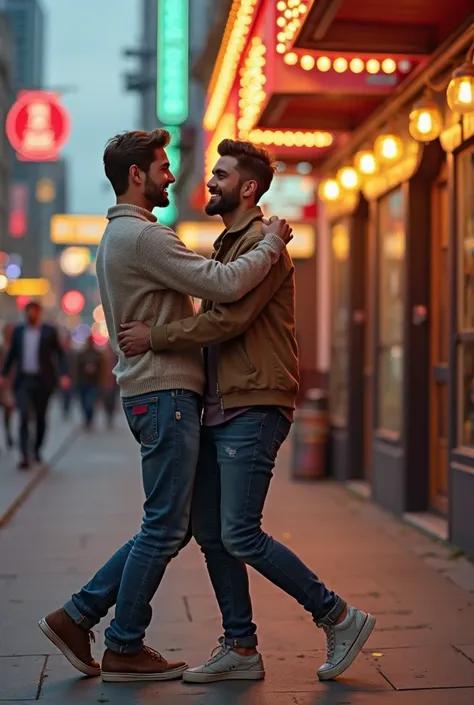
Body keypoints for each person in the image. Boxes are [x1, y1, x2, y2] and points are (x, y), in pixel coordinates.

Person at [38, 128, 292, 684]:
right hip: (166, 393)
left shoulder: (120, 237)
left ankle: (78, 616)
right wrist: (272, 244)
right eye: (161, 166)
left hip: (156, 393)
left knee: (170, 525)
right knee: (164, 526)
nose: (172, 175)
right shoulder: (145, 237)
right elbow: (223, 285)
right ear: (137, 176)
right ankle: (122, 643)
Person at [118, 139, 376, 684]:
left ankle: (339, 616)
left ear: (248, 188)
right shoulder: (231, 243)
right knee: (211, 531)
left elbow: (228, 320)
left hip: (255, 401)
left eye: (220, 174)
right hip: (223, 404)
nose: (209, 181)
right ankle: (240, 646)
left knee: (239, 533)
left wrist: (156, 336)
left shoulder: (263, 244)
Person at [0, 302, 70, 469]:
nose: (32, 315)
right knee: (23, 414)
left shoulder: (49, 332)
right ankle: (24, 454)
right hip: (24, 380)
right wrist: (4, 375)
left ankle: (36, 449)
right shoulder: (19, 332)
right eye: (29, 312)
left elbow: (59, 355)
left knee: (40, 417)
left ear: (39, 313)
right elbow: (12, 356)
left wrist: (64, 374)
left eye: (35, 312)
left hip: (43, 380)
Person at [76, 334, 103, 429]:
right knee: (84, 403)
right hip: (83, 383)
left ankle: (90, 420)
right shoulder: (81, 354)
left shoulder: (97, 354)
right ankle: (87, 420)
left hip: (93, 383)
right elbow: (77, 369)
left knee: (89, 403)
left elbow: (101, 370)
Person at [0, 323, 14, 451]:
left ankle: (8, 433)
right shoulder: (2, 348)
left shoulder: (15, 348)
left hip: (10, 384)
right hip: (2, 383)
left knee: (8, 410)